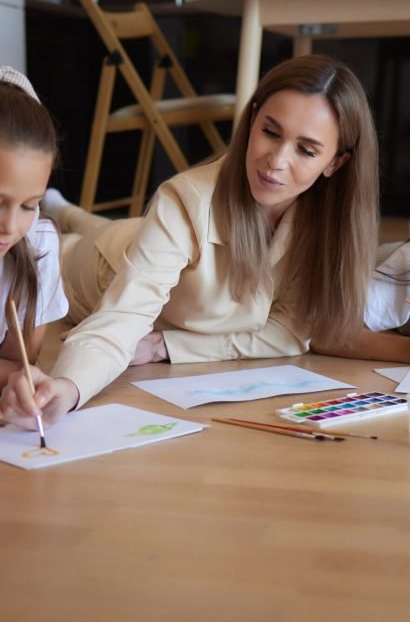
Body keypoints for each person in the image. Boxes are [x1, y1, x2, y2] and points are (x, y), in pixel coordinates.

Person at [1, 53, 409, 430]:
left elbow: (291, 332)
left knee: (105, 222)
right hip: (99, 267)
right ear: (251, 121)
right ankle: (58, 211)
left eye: (306, 150)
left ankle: (64, 206)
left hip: (148, 256)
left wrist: (169, 346)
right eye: (270, 132)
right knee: (67, 239)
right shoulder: (185, 197)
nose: (277, 161)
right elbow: (120, 322)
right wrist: (69, 389)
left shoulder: (327, 221)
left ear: (335, 163)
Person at [0, 66, 68, 390]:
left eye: (29, 205)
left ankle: (66, 209)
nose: (10, 228)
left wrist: (23, 383)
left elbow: (16, 364)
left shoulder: (38, 243)